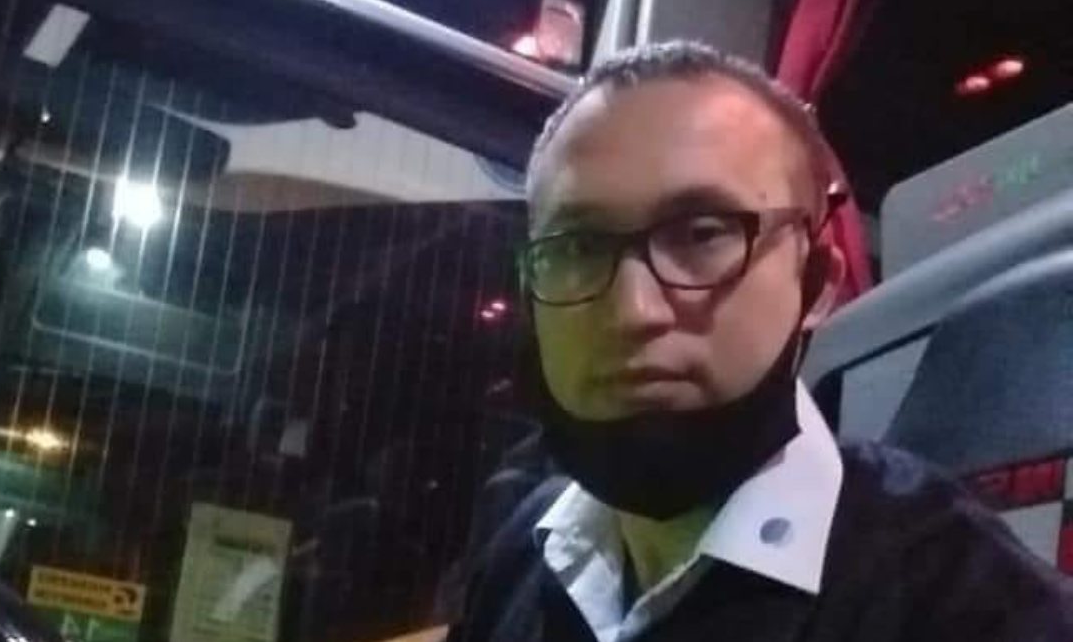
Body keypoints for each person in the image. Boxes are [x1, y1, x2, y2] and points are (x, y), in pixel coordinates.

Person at [445, 40, 1073, 642]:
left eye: (702, 234)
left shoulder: (971, 603)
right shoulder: (521, 553)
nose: (634, 310)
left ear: (816, 283)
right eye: (579, 247)